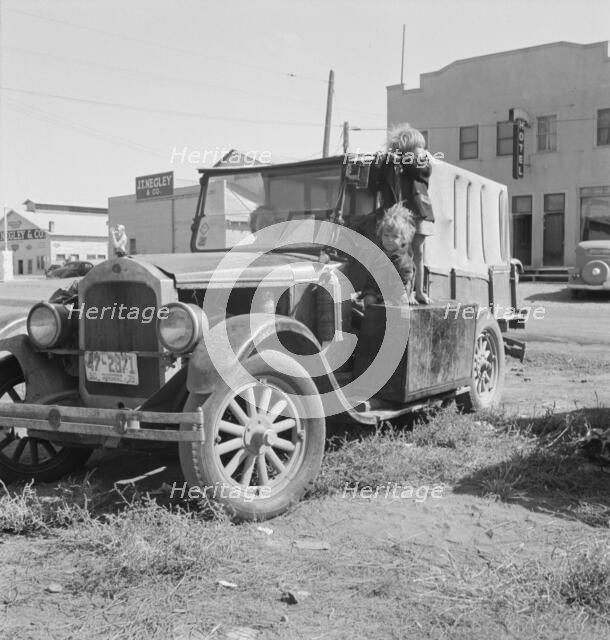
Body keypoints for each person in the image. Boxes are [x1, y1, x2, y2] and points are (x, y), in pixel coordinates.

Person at [376, 123, 435, 304]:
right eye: (416, 149)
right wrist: (385, 161)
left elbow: (422, 170)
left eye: (420, 150)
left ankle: (418, 291)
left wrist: (402, 158)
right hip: (402, 215)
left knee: (417, 253)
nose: (421, 152)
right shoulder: (393, 164)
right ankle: (407, 292)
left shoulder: (420, 163)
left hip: (418, 213)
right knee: (405, 252)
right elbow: (380, 183)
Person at [361, 203, 416, 307]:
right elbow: (370, 279)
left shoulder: (404, 261)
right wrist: (368, 293)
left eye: (395, 236)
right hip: (379, 292)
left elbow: (404, 283)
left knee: (387, 305)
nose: (389, 240)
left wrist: (390, 298)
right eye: (386, 235)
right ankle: (370, 322)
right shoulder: (377, 257)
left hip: (398, 293)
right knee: (369, 300)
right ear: (380, 235)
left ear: (403, 239)